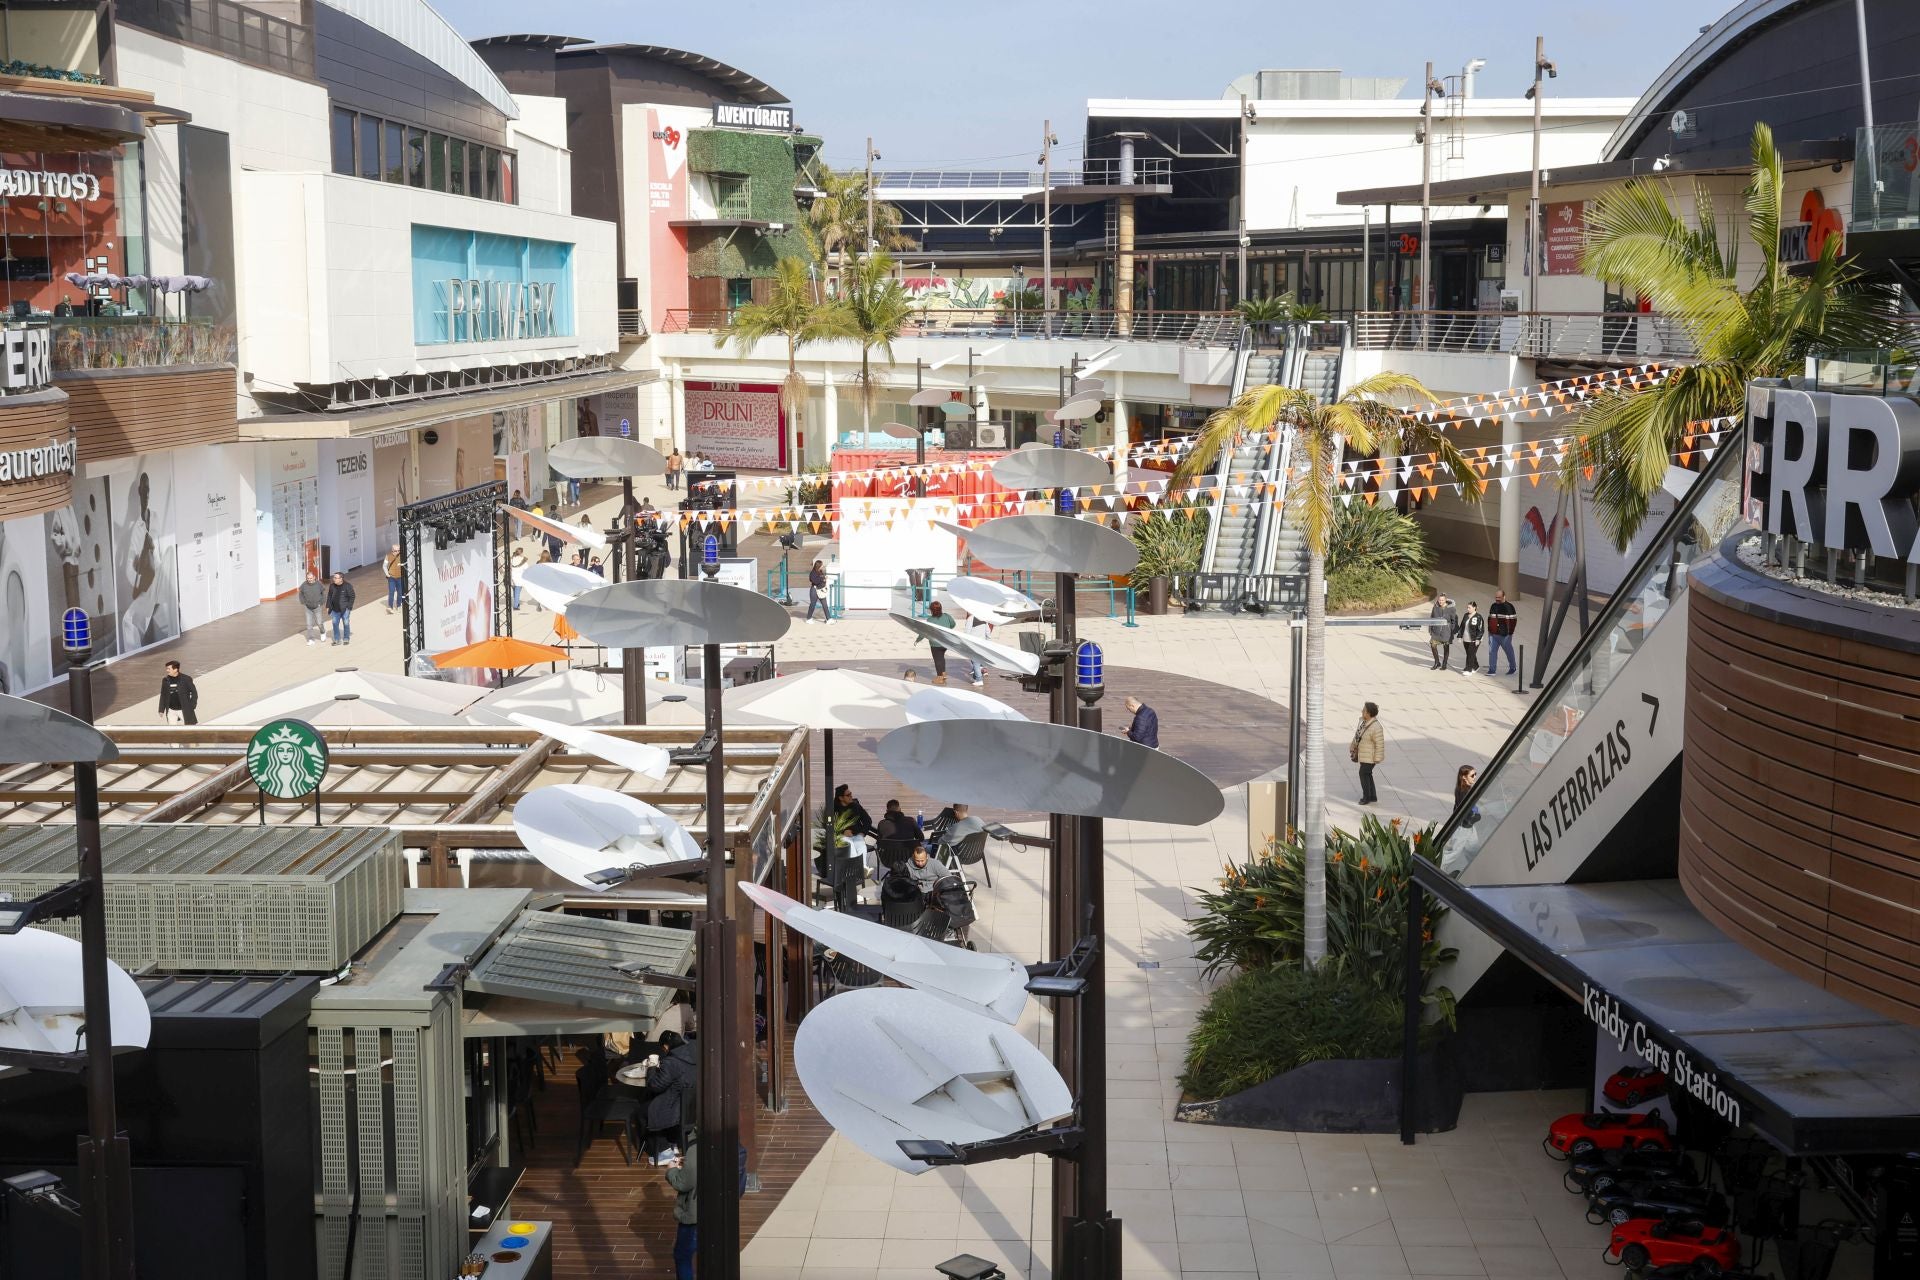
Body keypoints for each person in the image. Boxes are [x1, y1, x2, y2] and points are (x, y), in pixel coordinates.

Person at [640, 1030, 698, 1160]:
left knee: (643, 1110)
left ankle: (662, 1150)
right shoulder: (694, 1051)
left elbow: (655, 1085)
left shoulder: (672, 1062)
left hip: (675, 1108)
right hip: (692, 1106)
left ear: (665, 1046)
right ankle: (673, 1141)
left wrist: (652, 1068)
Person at [664, 1133, 698, 1280]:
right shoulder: (724, 1137)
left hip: (694, 1213)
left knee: (682, 1254)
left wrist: (671, 1170)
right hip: (717, 1211)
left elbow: (683, 1183)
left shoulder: (696, 1146)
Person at [1351, 701, 1385, 806]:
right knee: (1368, 774)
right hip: (1364, 755)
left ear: (1369, 713)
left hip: (1370, 757)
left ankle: (1366, 797)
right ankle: (1372, 796)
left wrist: (1377, 758)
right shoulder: (1364, 723)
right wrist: (1353, 746)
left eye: (1364, 710)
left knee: (1363, 773)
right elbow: (1358, 735)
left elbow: (1379, 744)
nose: (1362, 711)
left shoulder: (1376, 727)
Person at [921, 599, 956, 683]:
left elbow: (924, 632)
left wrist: (918, 640)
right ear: (941, 608)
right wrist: (947, 631)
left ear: (931, 610)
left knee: (937, 660)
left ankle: (940, 677)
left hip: (935, 644)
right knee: (941, 658)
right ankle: (943, 674)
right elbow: (953, 624)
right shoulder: (947, 616)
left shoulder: (930, 620)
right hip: (946, 642)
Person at [1486, 589, 1519, 676]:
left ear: (1504, 597)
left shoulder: (1509, 607)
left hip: (1505, 635)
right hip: (1493, 634)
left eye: (1499, 597)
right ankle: (1492, 670)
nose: (1497, 599)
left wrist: (1509, 634)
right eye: (1496, 597)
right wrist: (1490, 629)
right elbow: (1490, 618)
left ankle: (1513, 668)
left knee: (1508, 651)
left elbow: (1513, 621)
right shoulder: (1493, 606)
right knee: (1492, 651)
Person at [156, 660, 198, 725]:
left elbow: (194, 693)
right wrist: (161, 709)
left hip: (184, 709)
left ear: (175, 669)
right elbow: (163, 695)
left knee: (190, 727)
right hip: (171, 710)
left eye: (168, 669)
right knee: (172, 731)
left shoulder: (186, 679)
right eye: (167, 668)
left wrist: (192, 706)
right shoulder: (165, 680)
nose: (167, 670)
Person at [1428, 594, 1459, 671]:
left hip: (1446, 631)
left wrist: (1451, 630)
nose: (1440, 602)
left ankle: (1444, 664)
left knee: (1446, 647)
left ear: (1445, 600)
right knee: (1433, 645)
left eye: (1442, 600)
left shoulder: (1451, 609)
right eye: (1439, 600)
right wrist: (1430, 629)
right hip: (1436, 630)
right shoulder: (1435, 607)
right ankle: (1437, 662)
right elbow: (1432, 618)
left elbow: (1454, 620)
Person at [297, 570, 326, 646]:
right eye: (308, 578)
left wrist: (321, 603)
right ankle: (311, 639)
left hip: (317, 607)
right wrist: (303, 602)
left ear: (314, 577)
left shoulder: (319, 584)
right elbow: (301, 593)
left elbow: (323, 594)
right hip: (308, 608)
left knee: (319, 623)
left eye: (310, 578)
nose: (309, 580)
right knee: (309, 625)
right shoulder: (304, 585)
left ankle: (322, 632)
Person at [326, 571, 356, 646]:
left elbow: (352, 596)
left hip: (344, 609)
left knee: (346, 623)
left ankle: (346, 638)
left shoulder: (347, 586)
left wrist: (349, 608)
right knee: (335, 623)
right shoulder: (332, 586)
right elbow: (329, 596)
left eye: (336, 578)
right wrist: (328, 606)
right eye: (334, 577)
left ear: (341, 579)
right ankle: (337, 639)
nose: (334, 579)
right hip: (334, 609)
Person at [1459, 601, 1486, 676]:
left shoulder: (1478, 617)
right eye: (1467, 607)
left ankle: (1469, 669)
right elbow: (1462, 626)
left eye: (1469, 608)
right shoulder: (1466, 615)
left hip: (1474, 639)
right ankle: (1475, 666)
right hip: (1466, 638)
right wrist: (1460, 636)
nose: (1468, 609)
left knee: (1470, 654)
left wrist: (1478, 639)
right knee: (1470, 653)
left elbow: (1481, 629)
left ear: (1474, 608)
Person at [804, 559, 832, 624]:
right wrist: (823, 578)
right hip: (814, 590)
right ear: (818, 566)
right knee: (813, 604)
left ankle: (829, 619)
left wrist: (824, 578)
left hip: (821, 590)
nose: (823, 566)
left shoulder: (820, 571)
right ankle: (808, 618)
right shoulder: (813, 573)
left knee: (825, 604)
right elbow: (814, 581)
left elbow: (821, 579)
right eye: (822, 565)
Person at [383, 545, 404, 614]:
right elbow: (384, 566)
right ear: (392, 550)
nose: (397, 552)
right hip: (391, 577)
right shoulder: (388, 556)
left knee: (400, 592)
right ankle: (390, 607)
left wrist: (402, 564)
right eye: (395, 551)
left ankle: (399, 605)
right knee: (391, 592)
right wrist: (387, 574)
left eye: (399, 550)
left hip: (400, 577)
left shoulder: (402, 555)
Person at [509, 546, 528, 610]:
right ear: (521, 553)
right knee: (517, 592)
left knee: (514, 591)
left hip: (512, 578)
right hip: (520, 578)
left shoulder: (511, 559)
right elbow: (526, 569)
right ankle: (516, 605)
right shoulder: (523, 560)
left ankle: (516, 602)